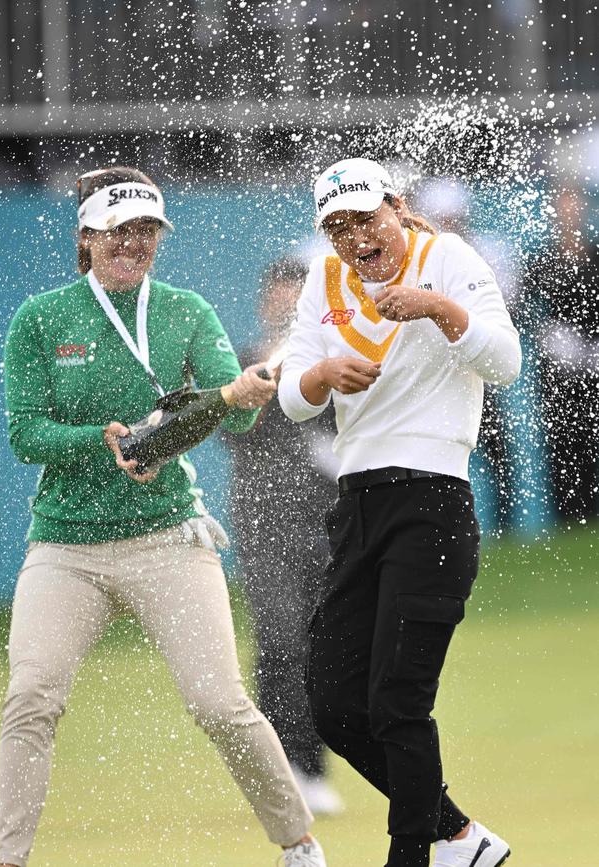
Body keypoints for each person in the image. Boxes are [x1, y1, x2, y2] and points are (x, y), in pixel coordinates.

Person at [0, 166, 327, 867]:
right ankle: (10, 860)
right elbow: (26, 433)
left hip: (168, 537)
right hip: (66, 545)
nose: (133, 243)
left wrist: (239, 395)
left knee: (219, 702)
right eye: (118, 231)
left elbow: (226, 413)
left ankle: (299, 844)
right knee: (31, 696)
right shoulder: (40, 319)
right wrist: (101, 441)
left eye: (146, 231)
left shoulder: (184, 310)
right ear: (86, 237)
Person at [278, 157, 521, 867]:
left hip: (434, 502)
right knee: (333, 700)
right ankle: (460, 836)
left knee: (396, 700)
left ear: (397, 205)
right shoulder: (324, 283)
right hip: (357, 507)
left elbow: (503, 360)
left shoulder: (445, 257)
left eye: (366, 217)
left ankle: (414, 855)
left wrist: (439, 310)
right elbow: (294, 391)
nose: (356, 236)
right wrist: (323, 374)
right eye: (338, 226)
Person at [225, 257, 343, 815]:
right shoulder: (248, 364)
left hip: (328, 522)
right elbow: (230, 427)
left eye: (295, 298)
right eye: (276, 296)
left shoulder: (329, 364)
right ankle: (283, 770)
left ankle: (313, 767)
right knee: (279, 639)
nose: (283, 305)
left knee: (323, 644)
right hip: (262, 524)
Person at [523, 185, 599, 521]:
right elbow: (525, 308)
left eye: (574, 210)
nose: (570, 218)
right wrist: (549, 337)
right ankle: (571, 512)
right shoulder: (544, 261)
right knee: (565, 437)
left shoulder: (594, 256)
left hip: (595, 360)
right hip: (558, 368)